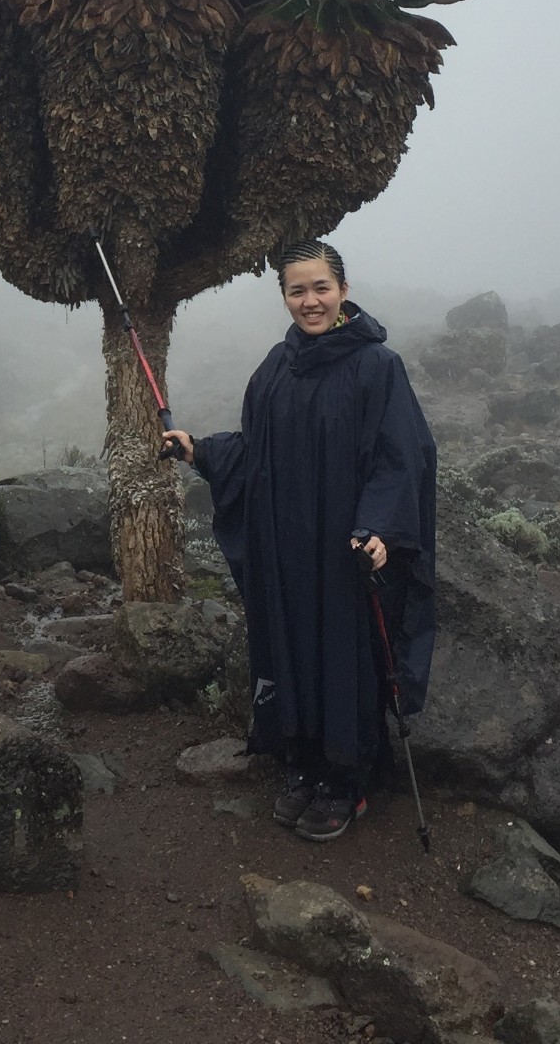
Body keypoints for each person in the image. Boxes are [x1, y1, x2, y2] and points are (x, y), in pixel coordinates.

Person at [163, 239, 437, 843]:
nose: (309, 301)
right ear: (283, 296)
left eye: (320, 288)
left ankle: (349, 778)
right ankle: (305, 763)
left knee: (345, 656)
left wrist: (381, 530)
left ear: (343, 290)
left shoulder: (377, 367)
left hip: (344, 550)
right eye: (296, 290)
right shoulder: (275, 367)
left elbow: (402, 458)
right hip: (289, 548)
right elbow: (257, 448)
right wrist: (201, 450)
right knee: (293, 648)